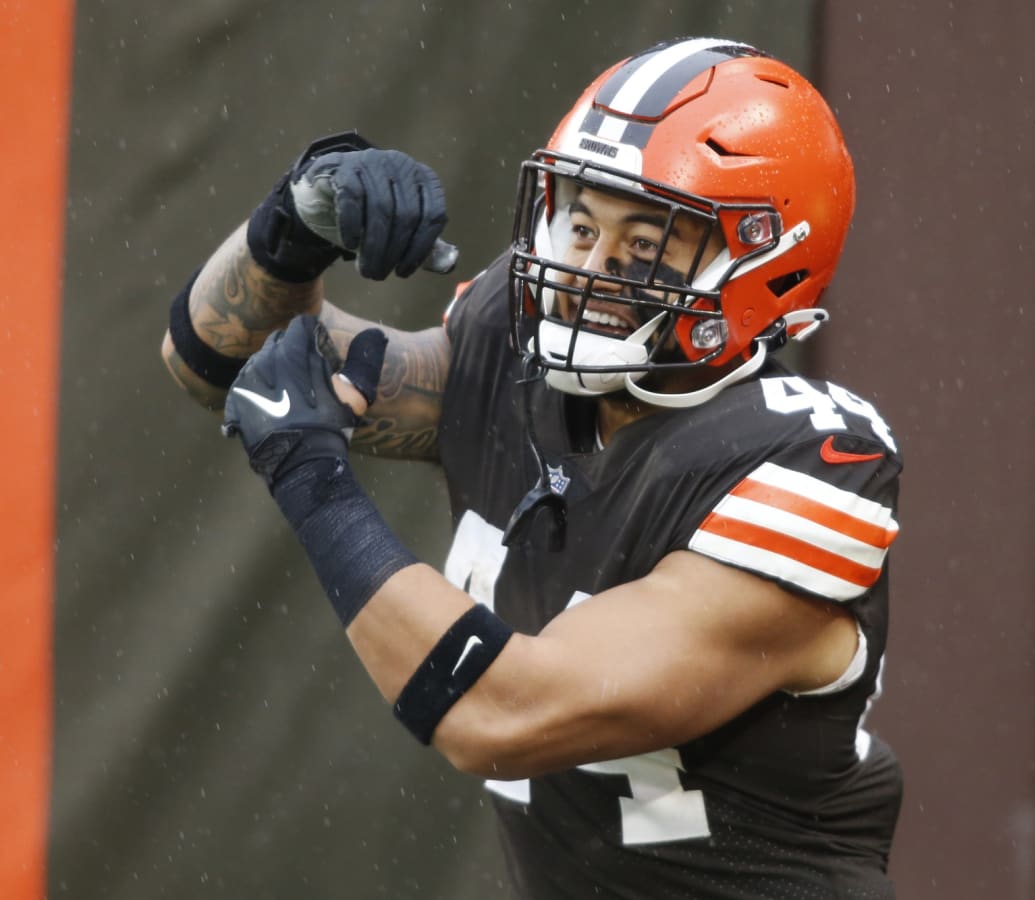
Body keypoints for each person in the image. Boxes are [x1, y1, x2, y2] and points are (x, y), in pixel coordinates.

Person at [161, 36, 904, 900]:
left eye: (645, 242)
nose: (588, 269)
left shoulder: (807, 462)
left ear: (770, 264)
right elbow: (218, 360)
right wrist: (291, 228)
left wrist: (313, 481)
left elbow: (500, 712)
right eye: (582, 224)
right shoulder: (516, 361)